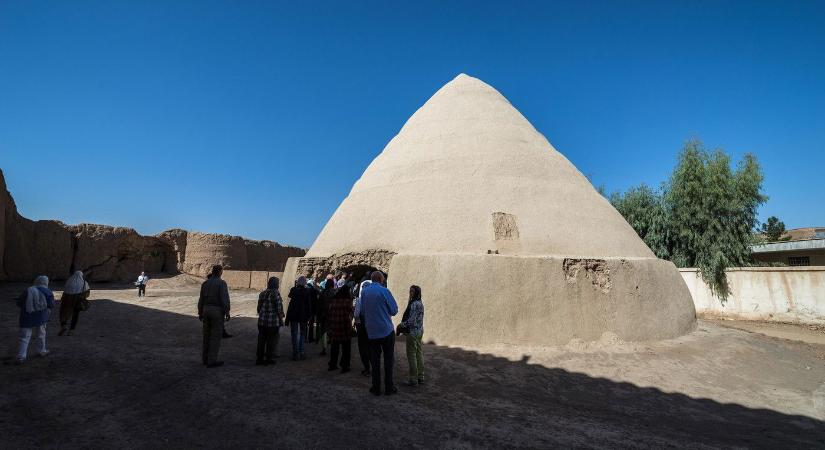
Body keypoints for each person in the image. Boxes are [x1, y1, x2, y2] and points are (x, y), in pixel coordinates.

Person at [360, 271, 399, 396]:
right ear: (381, 279)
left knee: (375, 361)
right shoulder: (384, 291)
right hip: (386, 330)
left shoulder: (364, 292)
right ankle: (389, 387)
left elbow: (362, 311)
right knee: (388, 360)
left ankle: (376, 388)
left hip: (371, 331)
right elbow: (394, 310)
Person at [16, 276, 55, 364]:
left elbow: (19, 303)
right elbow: (51, 305)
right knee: (41, 335)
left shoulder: (28, 290)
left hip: (26, 317)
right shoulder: (47, 291)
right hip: (41, 317)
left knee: (24, 337)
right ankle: (42, 351)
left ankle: (21, 357)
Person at [198, 265, 231, 368]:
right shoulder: (221, 283)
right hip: (216, 311)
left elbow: (201, 300)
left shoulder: (205, 283)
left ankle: (205, 359)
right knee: (215, 337)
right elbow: (224, 299)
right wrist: (227, 312)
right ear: (220, 272)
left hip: (206, 310)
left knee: (206, 336)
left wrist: (200, 312)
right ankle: (212, 361)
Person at [399, 285, 425, 386]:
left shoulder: (414, 304)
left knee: (412, 355)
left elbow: (411, 321)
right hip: (419, 331)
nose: (410, 293)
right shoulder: (420, 303)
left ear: (416, 293)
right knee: (419, 353)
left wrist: (401, 325)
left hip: (412, 332)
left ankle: (413, 379)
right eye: (410, 291)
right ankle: (420, 377)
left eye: (412, 292)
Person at [256, 277, 284, 366]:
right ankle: (269, 358)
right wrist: (281, 320)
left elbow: (258, 308)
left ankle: (259, 359)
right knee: (271, 341)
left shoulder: (262, 293)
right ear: (276, 284)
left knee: (261, 341)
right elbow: (279, 310)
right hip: (272, 322)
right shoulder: (276, 294)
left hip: (262, 321)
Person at [326, 285, 354, 373]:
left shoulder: (333, 301)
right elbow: (350, 312)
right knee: (346, 348)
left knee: (334, 347)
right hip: (344, 326)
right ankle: (345, 366)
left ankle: (332, 364)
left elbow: (329, 312)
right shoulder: (347, 301)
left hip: (335, 326)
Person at [285, 276, 312, 360]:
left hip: (294, 315)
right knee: (302, 334)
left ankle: (295, 353)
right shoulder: (307, 291)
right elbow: (308, 305)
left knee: (294, 334)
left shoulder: (293, 290)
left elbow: (291, 301)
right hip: (303, 315)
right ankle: (301, 351)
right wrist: (309, 315)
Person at [59, 271, 90, 336]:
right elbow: (87, 294)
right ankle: (71, 330)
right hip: (77, 301)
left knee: (63, 313)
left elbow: (64, 292)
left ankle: (63, 325)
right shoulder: (84, 283)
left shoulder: (69, 282)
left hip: (67, 300)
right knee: (75, 315)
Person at [353, 275, 373, 376]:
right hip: (372, 326)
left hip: (361, 326)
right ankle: (374, 367)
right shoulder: (375, 298)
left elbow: (356, 314)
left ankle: (367, 368)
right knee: (372, 347)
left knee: (363, 347)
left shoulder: (360, 300)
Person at [316, 279, 335, 356]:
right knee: (333, 331)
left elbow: (319, 304)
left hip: (324, 314)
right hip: (333, 315)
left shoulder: (323, 292)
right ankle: (333, 347)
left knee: (324, 331)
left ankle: (324, 348)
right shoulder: (335, 292)